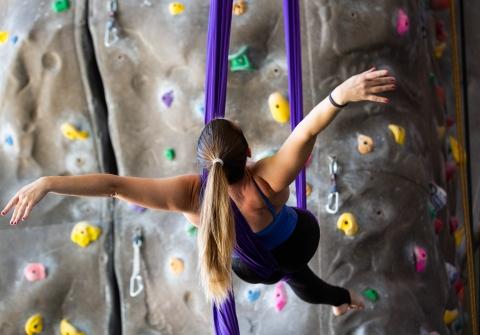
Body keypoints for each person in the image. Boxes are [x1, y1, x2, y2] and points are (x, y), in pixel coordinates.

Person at [1, 67, 395, 316]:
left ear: (204, 164)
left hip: (252, 269)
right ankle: (341, 299)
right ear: (249, 152)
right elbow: (307, 129)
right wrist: (339, 94)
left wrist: (48, 182)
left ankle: (339, 300)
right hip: (296, 242)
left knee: (295, 279)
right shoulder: (267, 177)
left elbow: (114, 186)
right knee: (303, 273)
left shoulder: (191, 194)